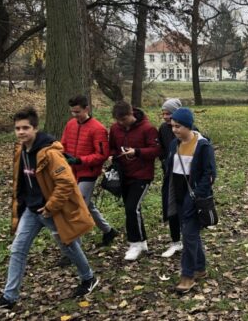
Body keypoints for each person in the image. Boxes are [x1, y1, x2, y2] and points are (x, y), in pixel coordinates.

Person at [0, 107, 98, 312]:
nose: (21, 132)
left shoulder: (50, 153)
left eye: (25, 128)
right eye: (17, 128)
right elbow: (21, 180)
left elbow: (66, 182)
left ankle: (88, 278)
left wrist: (51, 206)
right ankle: (9, 298)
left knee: (68, 246)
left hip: (50, 211)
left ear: (35, 128)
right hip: (31, 210)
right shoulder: (21, 150)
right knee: (18, 249)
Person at [163, 107, 216, 293]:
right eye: (172, 126)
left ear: (188, 125)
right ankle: (200, 268)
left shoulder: (203, 146)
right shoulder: (173, 144)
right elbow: (169, 169)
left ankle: (188, 276)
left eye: (178, 126)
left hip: (194, 197)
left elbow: (209, 174)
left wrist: (195, 195)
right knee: (191, 234)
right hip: (177, 194)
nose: (174, 130)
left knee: (189, 235)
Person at [60, 95, 118, 251]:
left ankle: (73, 250)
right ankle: (109, 231)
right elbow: (63, 144)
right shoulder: (70, 124)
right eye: (72, 112)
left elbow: (101, 155)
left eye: (77, 111)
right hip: (71, 172)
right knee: (87, 205)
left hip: (88, 172)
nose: (75, 115)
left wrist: (80, 160)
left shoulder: (97, 128)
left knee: (76, 209)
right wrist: (61, 155)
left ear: (87, 109)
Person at [108, 101, 160, 261]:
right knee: (131, 209)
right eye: (118, 120)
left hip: (142, 175)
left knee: (132, 208)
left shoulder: (148, 128)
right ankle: (142, 241)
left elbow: (156, 150)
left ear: (131, 114)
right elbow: (112, 147)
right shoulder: (115, 128)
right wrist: (111, 156)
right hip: (124, 174)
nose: (121, 123)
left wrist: (137, 152)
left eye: (124, 119)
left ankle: (135, 243)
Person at [157, 98, 183, 258]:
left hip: (185, 176)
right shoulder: (163, 129)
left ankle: (188, 238)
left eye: (169, 113)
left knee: (185, 207)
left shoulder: (190, 129)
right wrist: (164, 160)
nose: (166, 117)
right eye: (164, 113)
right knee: (171, 206)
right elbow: (160, 148)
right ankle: (175, 241)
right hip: (169, 175)